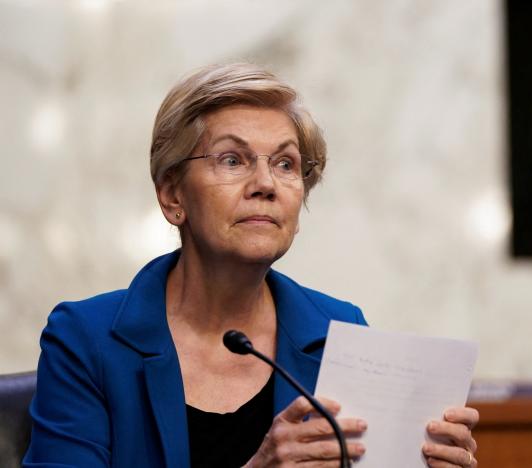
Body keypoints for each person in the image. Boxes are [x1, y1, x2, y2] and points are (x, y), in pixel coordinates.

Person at [24, 63, 479, 467]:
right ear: (172, 196)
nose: (265, 184)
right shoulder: (86, 340)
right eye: (232, 160)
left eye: (285, 164)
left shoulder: (340, 332)